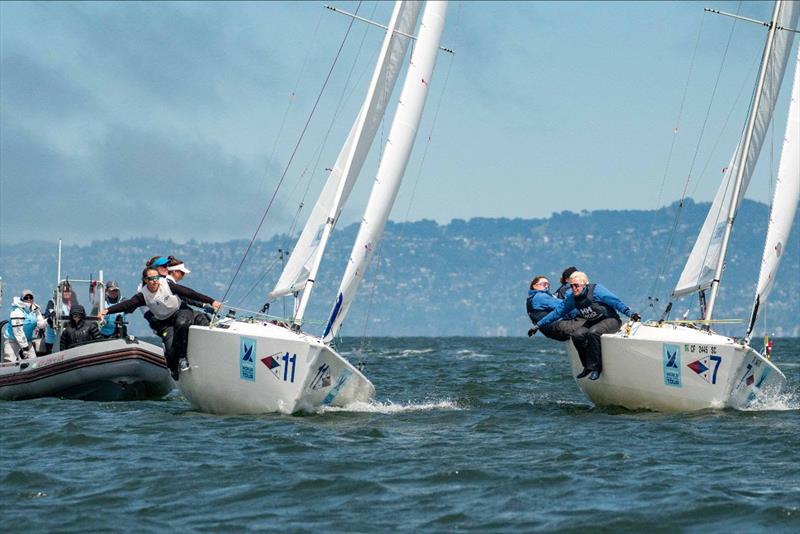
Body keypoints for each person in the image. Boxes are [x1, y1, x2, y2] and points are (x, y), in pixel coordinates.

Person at [99, 267, 221, 380]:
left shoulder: (167, 285)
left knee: (182, 323)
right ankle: (174, 368)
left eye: (156, 278)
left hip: (180, 311)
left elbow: (190, 293)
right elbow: (128, 304)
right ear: (145, 280)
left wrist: (211, 301)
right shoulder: (143, 295)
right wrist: (107, 310)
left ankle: (183, 357)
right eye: (151, 279)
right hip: (165, 321)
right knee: (169, 349)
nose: (155, 281)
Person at [530, 271, 640, 381]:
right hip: (592, 321)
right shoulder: (572, 298)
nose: (574, 288)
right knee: (577, 335)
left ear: (585, 284)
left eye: (576, 285)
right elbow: (557, 313)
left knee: (593, 332)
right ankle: (587, 367)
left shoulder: (597, 290)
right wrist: (538, 325)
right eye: (571, 286)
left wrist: (630, 313)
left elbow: (616, 302)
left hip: (610, 320)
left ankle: (596, 368)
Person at [526, 276, 582, 341]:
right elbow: (565, 306)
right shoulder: (540, 297)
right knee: (588, 323)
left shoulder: (530, 299)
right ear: (535, 286)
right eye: (544, 284)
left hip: (549, 331)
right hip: (557, 327)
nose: (547, 286)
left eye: (548, 284)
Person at [3, 290, 47, 362]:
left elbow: (40, 324)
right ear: (22, 299)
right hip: (12, 341)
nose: (29, 299)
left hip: (27, 340)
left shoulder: (35, 309)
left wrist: (48, 321)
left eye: (31, 297)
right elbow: (18, 332)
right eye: (26, 297)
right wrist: (25, 347)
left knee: (33, 362)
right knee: (9, 362)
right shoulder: (17, 311)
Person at [44, 282, 78, 354]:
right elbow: (47, 314)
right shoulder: (53, 302)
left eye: (69, 291)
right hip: (54, 334)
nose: (67, 293)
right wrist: (52, 316)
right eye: (65, 291)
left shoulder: (73, 302)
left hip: (68, 332)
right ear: (61, 292)